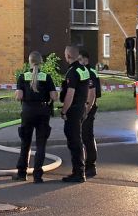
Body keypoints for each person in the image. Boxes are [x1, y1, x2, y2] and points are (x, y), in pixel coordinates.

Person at [14, 51, 58, 183]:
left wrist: (17, 94)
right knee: (41, 144)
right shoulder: (47, 77)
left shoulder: (23, 77)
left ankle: (22, 173)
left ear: (29, 62)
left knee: (25, 143)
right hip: (43, 111)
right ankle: (38, 175)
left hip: (28, 111)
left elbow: (19, 97)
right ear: (41, 62)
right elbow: (54, 96)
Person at [60, 44, 93, 183]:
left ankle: (78, 173)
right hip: (81, 108)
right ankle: (80, 170)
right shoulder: (84, 70)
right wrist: (86, 106)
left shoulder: (72, 72)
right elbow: (88, 90)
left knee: (74, 141)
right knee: (78, 140)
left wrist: (64, 110)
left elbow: (70, 93)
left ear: (68, 55)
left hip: (73, 110)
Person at [79, 49, 100, 178]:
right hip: (86, 107)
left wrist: (87, 109)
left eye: (80, 59)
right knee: (86, 136)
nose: (79, 62)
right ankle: (88, 164)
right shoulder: (87, 71)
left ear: (85, 59)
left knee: (87, 136)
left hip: (88, 107)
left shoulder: (89, 72)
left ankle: (91, 165)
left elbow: (93, 94)